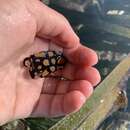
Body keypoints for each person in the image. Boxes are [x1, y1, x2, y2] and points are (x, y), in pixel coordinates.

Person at [0, 0, 101, 125]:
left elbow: (37, 62)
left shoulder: (55, 59)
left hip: (41, 63)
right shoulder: (55, 60)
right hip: (41, 63)